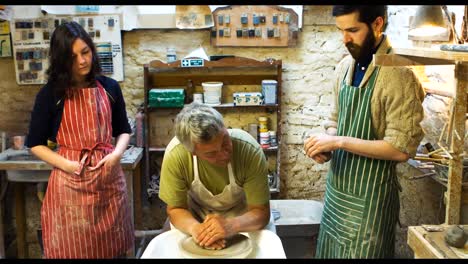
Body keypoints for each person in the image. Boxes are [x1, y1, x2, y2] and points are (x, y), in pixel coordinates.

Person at [303, 6, 425, 258]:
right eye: (341, 31)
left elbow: (400, 149)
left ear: (377, 24)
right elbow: (335, 121)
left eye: (353, 30)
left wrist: (338, 141)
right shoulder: (344, 67)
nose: (345, 39)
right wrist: (326, 147)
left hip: (370, 200)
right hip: (338, 192)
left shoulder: (398, 73)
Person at [25, 21, 134, 258]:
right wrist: (67, 165)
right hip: (69, 183)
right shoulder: (50, 94)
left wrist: (116, 155)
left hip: (108, 179)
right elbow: (34, 143)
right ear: (62, 60)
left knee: (112, 249)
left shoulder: (110, 88)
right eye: (73, 57)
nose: (82, 61)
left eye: (85, 52)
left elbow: (123, 130)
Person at [159, 103, 272, 250]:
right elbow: (175, 209)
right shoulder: (177, 155)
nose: (224, 154)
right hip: (193, 217)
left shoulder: (248, 150)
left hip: (242, 218)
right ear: (193, 153)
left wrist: (231, 226)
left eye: (225, 142)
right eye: (211, 153)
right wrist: (198, 231)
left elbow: (261, 212)